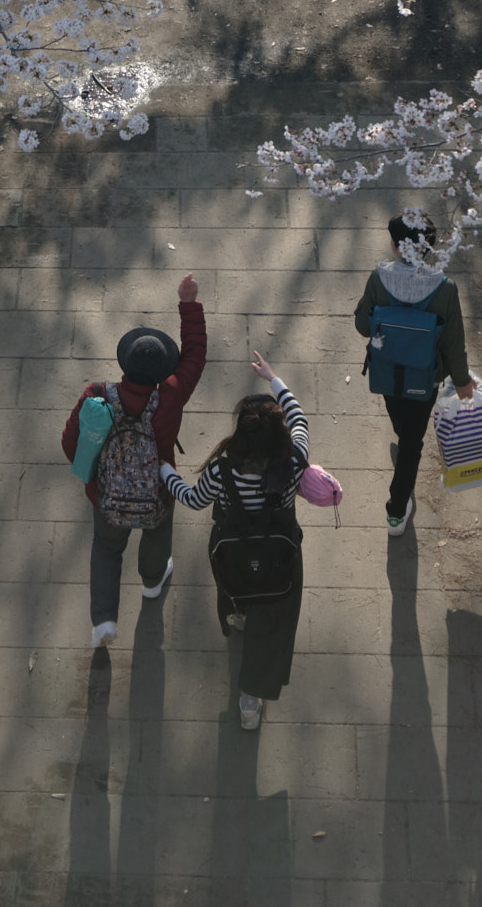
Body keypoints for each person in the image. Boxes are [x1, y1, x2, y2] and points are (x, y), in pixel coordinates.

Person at [160, 352, 308, 732]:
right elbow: (300, 419)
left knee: (238, 588)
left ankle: (238, 615)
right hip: (280, 555)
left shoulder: (221, 470)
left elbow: (192, 499)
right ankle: (249, 701)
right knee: (272, 625)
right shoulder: (293, 463)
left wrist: (166, 472)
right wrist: (273, 378)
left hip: (234, 551)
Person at [61, 276, 206, 650]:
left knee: (106, 549)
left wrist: (96, 478)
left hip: (106, 499)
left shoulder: (97, 396)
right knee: (157, 534)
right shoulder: (171, 396)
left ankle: (104, 620)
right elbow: (194, 356)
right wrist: (188, 304)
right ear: (162, 372)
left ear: (123, 363)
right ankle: (153, 581)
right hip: (157, 491)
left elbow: (70, 442)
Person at [354, 212, 473, 536]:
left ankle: (397, 499)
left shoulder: (378, 279)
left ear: (394, 246)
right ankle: (396, 513)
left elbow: (363, 326)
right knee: (411, 442)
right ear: (427, 248)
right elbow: (453, 342)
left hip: (387, 373)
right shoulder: (445, 289)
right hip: (425, 378)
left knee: (401, 425)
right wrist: (462, 381)